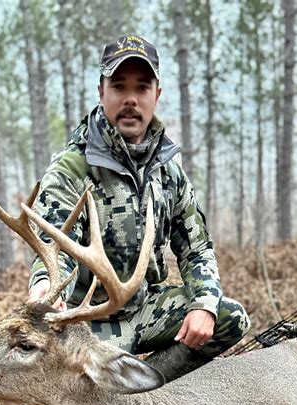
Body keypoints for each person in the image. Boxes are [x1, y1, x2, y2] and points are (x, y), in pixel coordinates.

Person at [28, 34, 250, 381]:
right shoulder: (71, 170)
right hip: (86, 323)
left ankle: (147, 388)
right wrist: (46, 288)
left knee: (228, 318)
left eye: (142, 88)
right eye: (119, 87)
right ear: (102, 92)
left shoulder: (169, 171)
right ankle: (108, 386)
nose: (131, 99)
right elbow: (53, 248)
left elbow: (196, 249)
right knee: (44, 383)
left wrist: (204, 304)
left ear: (156, 95)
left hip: (145, 311)